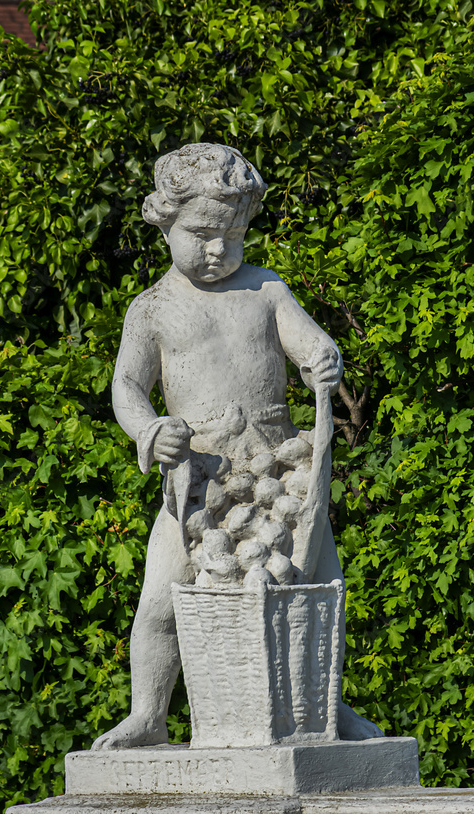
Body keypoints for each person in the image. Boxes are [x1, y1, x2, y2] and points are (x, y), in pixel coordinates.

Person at [92, 143, 382, 749]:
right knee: (162, 602)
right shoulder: (152, 309)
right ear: (164, 221)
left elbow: (308, 344)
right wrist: (151, 431)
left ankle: (331, 709)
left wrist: (322, 360)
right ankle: (148, 713)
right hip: (197, 475)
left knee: (319, 591)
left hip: (280, 472)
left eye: (232, 235)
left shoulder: (267, 289)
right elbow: (126, 387)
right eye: (200, 233)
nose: (217, 248)